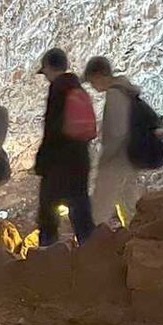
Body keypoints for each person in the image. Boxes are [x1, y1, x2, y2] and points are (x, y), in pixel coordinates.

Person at [35, 47, 96, 246]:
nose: (45, 77)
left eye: (45, 72)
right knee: (80, 206)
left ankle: (47, 256)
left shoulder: (58, 88)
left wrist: (42, 162)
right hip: (80, 157)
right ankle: (93, 250)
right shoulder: (77, 88)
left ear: (49, 68)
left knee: (48, 208)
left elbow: (52, 128)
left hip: (60, 160)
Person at [84, 56, 141, 227]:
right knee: (129, 205)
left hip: (116, 160)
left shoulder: (115, 95)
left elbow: (116, 133)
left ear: (99, 75)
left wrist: (104, 161)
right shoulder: (126, 91)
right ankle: (136, 240)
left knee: (99, 210)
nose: (93, 87)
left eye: (92, 81)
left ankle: (92, 248)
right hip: (130, 159)